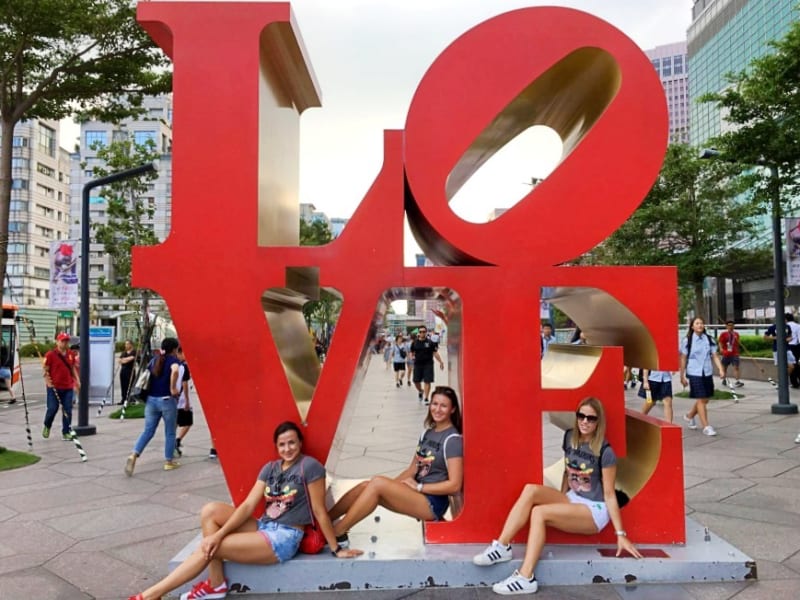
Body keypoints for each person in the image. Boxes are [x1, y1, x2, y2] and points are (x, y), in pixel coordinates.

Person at [126, 421, 362, 600]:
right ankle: (216, 583)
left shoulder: (309, 466)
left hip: (284, 537)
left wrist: (335, 548)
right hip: (264, 526)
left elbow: (319, 510)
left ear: (300, 442)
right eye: (282, 444)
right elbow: (248, 505)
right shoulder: (270, 468)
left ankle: (150, 595)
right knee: (210, 511)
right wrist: (219, 533)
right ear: (276, 446)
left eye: (292, 442)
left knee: (211, 547)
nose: (287, 448)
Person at [473, 397, 640, 595]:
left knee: (540, 513)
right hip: (573, 498)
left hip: (594, 509)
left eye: (591, 418)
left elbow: (610, 495)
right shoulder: (570, 437)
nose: (585, 421)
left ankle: (526, 577)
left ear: (598, 422)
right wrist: (561, 499)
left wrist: (621, 535)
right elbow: (566, 471)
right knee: (530, 490)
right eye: (581, 416)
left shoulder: (605, 451)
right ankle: (502, 547)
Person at [328, 386, 463, 543]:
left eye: (443, 406)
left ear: (452, 409)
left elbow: (455, 485)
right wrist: (391, 487)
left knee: (377, 483)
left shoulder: (452, 440)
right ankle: (324, 520)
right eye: (434, 404)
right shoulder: (427, 433)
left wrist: (420, 488)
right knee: (367, 485)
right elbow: (413, 468)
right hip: (416, 494)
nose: (437, 409)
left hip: (432, 503)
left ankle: (338, 532)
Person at [125, 337, 182, 475]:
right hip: (167, 400)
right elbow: (175, 370)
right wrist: (173, 388)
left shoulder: (154, 360)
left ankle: (134, 454)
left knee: (148, 431)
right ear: (174, 349)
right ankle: (169, 461)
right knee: (170, 432)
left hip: (151, 401)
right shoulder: (173, 360)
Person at [680, 317, 725, 437]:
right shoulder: (687, 341)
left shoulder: (709, 339)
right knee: (701, 399)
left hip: (707, 372)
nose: (700, 325)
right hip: (694, 372)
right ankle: (706, 426)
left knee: (705, 399)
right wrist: (682, 375)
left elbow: (714, 356)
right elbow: (683, 358)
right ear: (692, 326)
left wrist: (720, 369)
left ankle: (689, 416)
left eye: (701, 323)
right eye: (697, 323)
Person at [42, 332, 80, 440]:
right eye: (62, 341)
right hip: (54, 387)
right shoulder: (50, 355)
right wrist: (48, 382)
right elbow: (45, 370)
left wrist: (77, 380)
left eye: (66, 341)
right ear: (57, 341)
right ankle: (47, 425)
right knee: (52, 409)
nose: (64, 343)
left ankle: (66, 431)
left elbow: (72, 368)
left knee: (67, 410)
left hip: (68, 386)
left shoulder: (70, 354)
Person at [410, 326, 445, 404]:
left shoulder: (430, 342)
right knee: (416, 381)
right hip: (418, 364)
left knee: (427, 381)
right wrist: (412, 357)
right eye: (421, 332)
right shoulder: (414, 343)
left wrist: (441, 362)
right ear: (418, 333)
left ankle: (426, 398)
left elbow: (435, 353)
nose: (422, 333)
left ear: (426, 332)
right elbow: (412, 352)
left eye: (424, 332)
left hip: (428, 364)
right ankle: (420, 391)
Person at [174, 346, 193, 458]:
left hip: (175, 399)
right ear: (179, 353)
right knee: (188, 422)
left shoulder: (176, 366)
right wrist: (187, 400)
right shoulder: (184, 367)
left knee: (176, 423)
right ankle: (177, 440)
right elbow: (185, 384)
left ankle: (173, 441)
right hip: (182, 400)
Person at [718, 320, 743, 388]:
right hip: (726, 353)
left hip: (735, 354)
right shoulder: (724, 334)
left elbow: (737, 344)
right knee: (724, 367)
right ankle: (724, 379)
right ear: (726, 326)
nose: (731, 326)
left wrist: (739, 346)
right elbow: (720, 342)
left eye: (732, 325)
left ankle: (737, 381)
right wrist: (721, 349)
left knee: (736, 367)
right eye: (729, 325)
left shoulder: (736, 334)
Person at [118, 339, 137, 404]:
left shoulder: (134, 352)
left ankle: (131, 399)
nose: (126, 345)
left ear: (131, 344)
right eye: (125, 344)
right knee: (123, 385)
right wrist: (124, 360)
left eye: (127, 344)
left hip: (130, 371)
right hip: (123, 371)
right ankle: (123, 399)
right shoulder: (124, 352)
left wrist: (124, 359)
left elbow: (131, 358)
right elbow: (119, 360)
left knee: (130, 385)